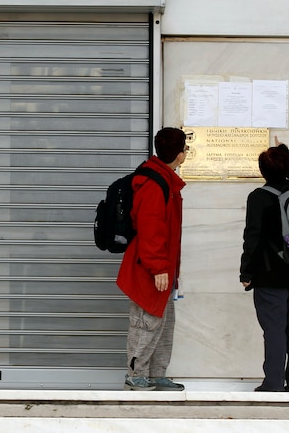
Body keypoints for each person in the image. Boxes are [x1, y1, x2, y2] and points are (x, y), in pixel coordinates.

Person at [239, 137, 289, 392]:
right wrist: (285, 150)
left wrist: (246, 272)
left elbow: (253, 238)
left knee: (274, 329)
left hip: (271, 276)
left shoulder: (258, 197)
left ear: (262, 171)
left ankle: (272, 384)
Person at [116, 127, 187, 391]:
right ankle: (136, 376)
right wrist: (158, 268)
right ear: (180, 155)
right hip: (150, 268)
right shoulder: (154, 184)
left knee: (162, 323)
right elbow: (150, 228)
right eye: (186, 149)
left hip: (162, 268)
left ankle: (156, 375)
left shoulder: (165, 180)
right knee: (145, 323)